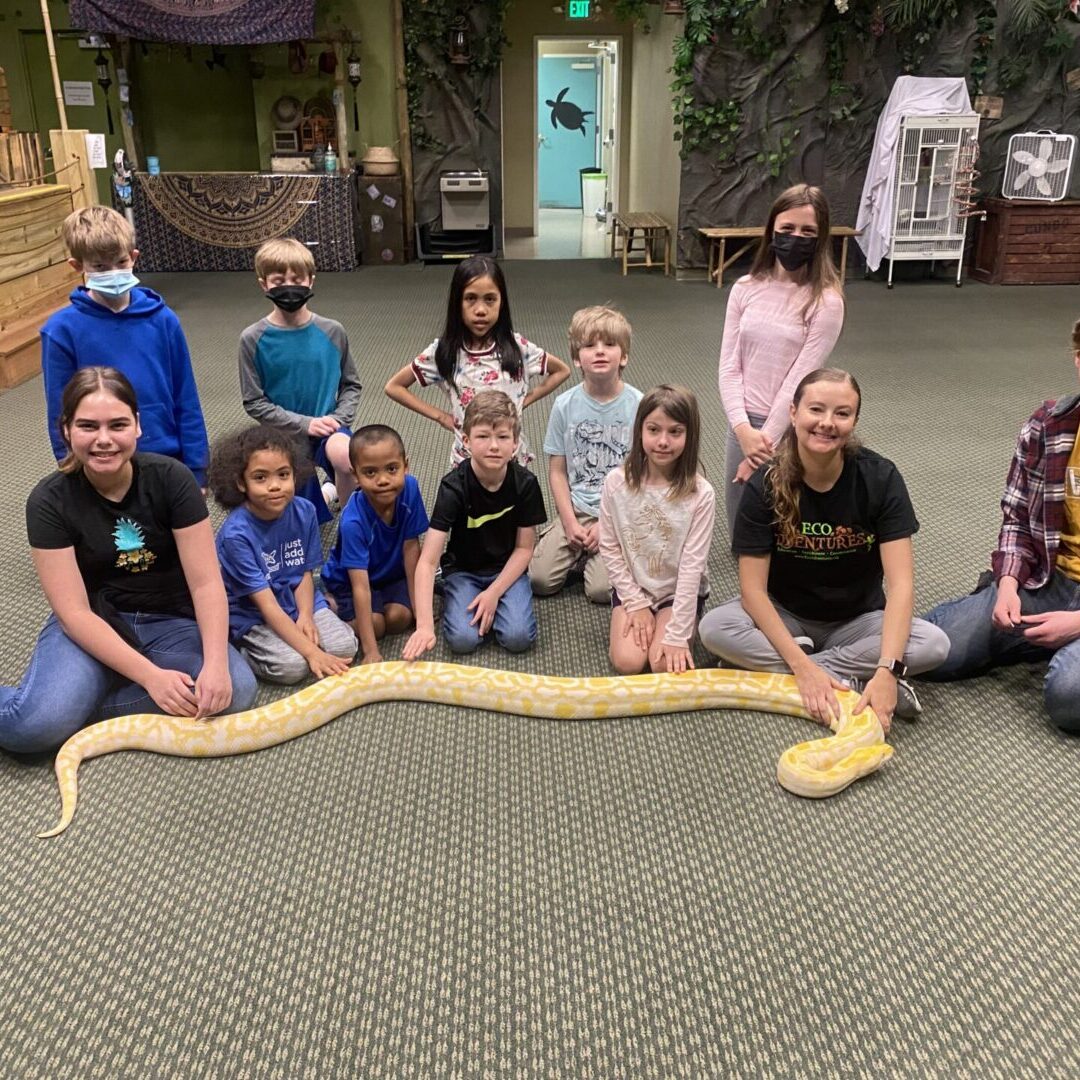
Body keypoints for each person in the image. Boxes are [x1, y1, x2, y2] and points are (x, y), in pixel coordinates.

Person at [0, 368, 256, 755]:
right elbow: (73, 613)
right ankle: (71, 698)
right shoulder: (48, 501)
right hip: (95, 622)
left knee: (234, 691)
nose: (104, 440)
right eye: (88, 426)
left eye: (117, 424)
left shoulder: (173, 480)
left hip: (171, 621)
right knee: (33, 728)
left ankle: (81, 701)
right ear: (66, 430)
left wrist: (217, 663)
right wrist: (151, 678)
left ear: (137, 425)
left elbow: (206, 584)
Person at [699, 368, 949, 732]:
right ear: (793, 413)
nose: (827, 423)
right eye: (816, 410)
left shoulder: (880, 478)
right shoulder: (763, 484)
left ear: (855, 420)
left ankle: (787, 670)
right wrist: (803, 667)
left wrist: (887, 669)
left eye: (842, 413)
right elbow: (752, 592)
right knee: (715, 629)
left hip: (858, 621)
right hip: (785, 614)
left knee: (934, 644)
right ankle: (847, 678)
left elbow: (901, 586)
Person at [921, 320, 1080, 735]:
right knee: (932, 652)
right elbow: (1016, 519)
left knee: (1070, 697)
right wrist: (1008, 583)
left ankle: (1058, 640)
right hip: (1050, 577)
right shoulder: (1049, 425)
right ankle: (1043, 633)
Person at [41, 205, 209, 486]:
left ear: (133, 258)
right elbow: (60, 411)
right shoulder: (60, 331)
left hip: (167, 457)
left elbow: (186, 396)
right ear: (77, 266)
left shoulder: (164, 320)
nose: (113, 272)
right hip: (100, 463)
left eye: (120, 262)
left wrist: (197, 467)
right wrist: (71, 468)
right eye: (99, 267)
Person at [718, 184, 845, 538]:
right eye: (787, 229)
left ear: (820, 240)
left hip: (790, 428)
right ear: (772, 229)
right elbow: (729, 366)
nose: (795, 238)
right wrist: (743, 430)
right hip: (742, 425)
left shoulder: (826, 302)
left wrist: (765, 442)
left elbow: (800, 380)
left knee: (785, 534)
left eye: (807, 232)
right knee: (741, 533)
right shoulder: (744, 288)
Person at [384, 255, 570, 468]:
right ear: (457, 302)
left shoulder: (518, 348)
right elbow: (394, 387)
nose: (480, 310)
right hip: (467, 460)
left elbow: (561, 370)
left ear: (502, 302)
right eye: (470, 298)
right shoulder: (445, 351)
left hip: (510, 458)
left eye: (490, 299)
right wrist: (441, 417)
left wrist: (523, 401)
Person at [209, 425, 358, 685]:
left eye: (283, 474)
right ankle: (244, 651)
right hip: (254, 612)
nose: (275, 486)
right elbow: (265, 604)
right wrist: (311, 652)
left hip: (296, 598)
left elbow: (303, 572)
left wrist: (306, 615)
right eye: (260, 477)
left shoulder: (305, 511)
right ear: (241, 483)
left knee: (345, 648)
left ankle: (304, 632)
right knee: (293, 667)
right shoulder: (236, 536)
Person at [403, 391, 547, 659]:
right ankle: (451, 591)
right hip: (463, 570)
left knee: (518, 637)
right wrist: (424, 626)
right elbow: (427, 561)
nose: (494, 445)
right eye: (483, 436)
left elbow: (525, 549)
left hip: (507, 569)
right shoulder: (453, 486)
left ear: (515, 443)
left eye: (503, 437)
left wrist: (493, 593)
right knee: (462, 640)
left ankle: (485, 599)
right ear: (466, 441)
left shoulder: (526, 484)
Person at [238, 237, 361, 521]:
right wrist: (306, 424)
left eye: (297, 278)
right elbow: (254, 402)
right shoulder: (252, 339)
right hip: (284, 436)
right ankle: (328, 493)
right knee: (307, 518)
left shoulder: (333, 331)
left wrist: (339, 420)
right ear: (263, 284)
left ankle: (351, 524)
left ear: (311, 281)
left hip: (330, 429)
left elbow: (351, 384)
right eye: (279, 280)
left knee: (347, 457)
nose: (288, 286)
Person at [599, 384, 715, 675]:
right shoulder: (615, 483)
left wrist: (676, 634)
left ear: (690, 435)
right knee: (627, 662)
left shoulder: (701, 494)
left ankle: (676, 623)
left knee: (663, 664)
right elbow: (610, 547)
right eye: (654, 430)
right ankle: (640, 616)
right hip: (634, 586)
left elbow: (692, 567)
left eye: (675, 432)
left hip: (677, 591)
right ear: (640, 431)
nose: (663, 441)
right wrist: (634, 602)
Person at [530, 305, 643, 603]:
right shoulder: (564, 405)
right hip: (578, 508)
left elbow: (643, 476)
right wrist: (569, 522)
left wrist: (608, 526)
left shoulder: (639, 406)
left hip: (620, 512)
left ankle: (604, 552)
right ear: (577, 359)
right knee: (539, 580)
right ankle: (577, 548)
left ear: (625, 356)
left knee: (601, 592)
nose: (600, 352)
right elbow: (557, 471)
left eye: (610, 344)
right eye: (589, 346)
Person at [321, 425, 430, 665]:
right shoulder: (353, 521)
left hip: (389, 575)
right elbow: (360, 586)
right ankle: (328, 604)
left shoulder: (410, 488)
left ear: (406, 465)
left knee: (400, 618)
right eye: (370, 473)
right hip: (351, 581)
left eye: (392, 469)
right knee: (376, 626)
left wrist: (420, 615)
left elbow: (412, 549)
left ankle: (390, 606)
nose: (383, 480)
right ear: (355, 475)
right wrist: (371, 651)